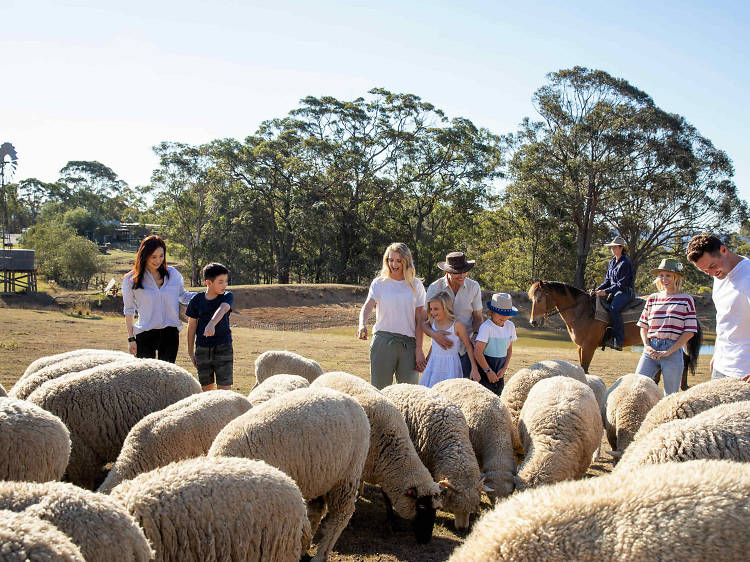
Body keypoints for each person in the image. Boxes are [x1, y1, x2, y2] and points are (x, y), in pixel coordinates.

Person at [357, 243, 427, 389]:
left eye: (398, 261)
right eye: (390, 260)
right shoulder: (379, 283)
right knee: (380, 391)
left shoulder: (416, 285)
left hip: (409, 345)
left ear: (406, 261)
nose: (393, 264)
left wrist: (419, 349)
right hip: (383, 342)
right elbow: (368, 305)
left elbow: (420, 320)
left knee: (409, 393)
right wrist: (362, 324)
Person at [687, 234, 750, 382]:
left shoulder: (747, 276)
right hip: (720, 368)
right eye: (704, 271)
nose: (711, 273)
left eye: (712, 266)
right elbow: (724, 318)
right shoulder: (719, 276)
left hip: (744, 372)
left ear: (723, 250)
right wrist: (716, 353)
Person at [122, 235, 195, 363]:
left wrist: (207, 295)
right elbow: (129, 310)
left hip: (170, 333)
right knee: (147, 378)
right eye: (153, 257)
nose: (158, 260)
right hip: (145, 333)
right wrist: (131, 339)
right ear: (144, 255)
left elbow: (183, 296)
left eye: (161, 256)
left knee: (167, 378)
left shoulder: (173, 274)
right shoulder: (130, 280)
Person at [635, 259, 697, 395]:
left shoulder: (686, 299)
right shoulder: (653, 298)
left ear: (676, 277)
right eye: (661, 275)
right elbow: (643, 326)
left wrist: (669, 351)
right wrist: (647, 346)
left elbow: (690, 331)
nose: (664, 279)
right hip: (650, 349)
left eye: (668, 275)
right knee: (637, 388)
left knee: (670, 395)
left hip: (673, 350)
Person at [423, 252, 483, 378]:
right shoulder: (435, 288)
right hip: (442, 350)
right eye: (458, 272)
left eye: (464, 271)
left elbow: (478, 318)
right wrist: (435, 335)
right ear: (447, 272)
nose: (462, 276)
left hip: (466, 350)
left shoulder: (474, 287)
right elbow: (424, 321)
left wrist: (476, 336)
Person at [185, 263, 234, 391]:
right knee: (206, 390)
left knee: (225, 390)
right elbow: (191, 327)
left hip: (224, 347)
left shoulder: (227, 296)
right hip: (202, 349)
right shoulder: (196, 300)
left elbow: (223, 308)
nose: (225, 285)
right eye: (221, 282)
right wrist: (191, 352)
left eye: (226, 282)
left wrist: (211, 324)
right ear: (208, 282)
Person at [419, 291, 479, 388]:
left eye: (436, 309)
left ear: (446, 308)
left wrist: (474, 368)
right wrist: (427, 359)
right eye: (431, 309)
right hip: (434, 363)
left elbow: (468, 346)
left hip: (451, 364)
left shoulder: (457, 325)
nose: (433, 312)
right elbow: (434, 344)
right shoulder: (433, 322)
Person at [594, 236, 634, 351]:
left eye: (615, 247)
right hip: (614, 291)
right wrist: (597, 290)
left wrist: (605, 292)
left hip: (625, 291)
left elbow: (621, 284)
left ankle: (619, 341)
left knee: (614, 309)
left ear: (621, 248)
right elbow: (607, 281)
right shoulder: (612, 261)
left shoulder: (625, 263)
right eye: (612, 247)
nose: (612, 249)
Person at [473, 293, 518, 395]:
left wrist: (504, 369)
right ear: (491, 312)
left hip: (500, 370)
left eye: (506, 313)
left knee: (499, 397)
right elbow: (477, 352)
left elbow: (509, 350)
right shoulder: (486, 327)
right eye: (499, 313)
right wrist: (488, 371)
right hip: (485, 369)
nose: (503, 317)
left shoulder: (510, 326)